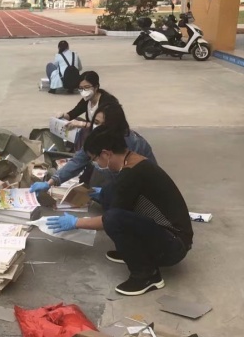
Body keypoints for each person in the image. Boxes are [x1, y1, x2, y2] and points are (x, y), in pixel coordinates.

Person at [46, 127, 192, 296]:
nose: (96, 164)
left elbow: (109, 220)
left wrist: (76, 223)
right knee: (109, 192)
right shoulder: (133, 162)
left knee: (113, 218)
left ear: (106, 154)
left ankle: (147, 275)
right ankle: (133, 252)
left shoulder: (131, 174)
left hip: (173, 246)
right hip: (167, 235)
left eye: (95, 159)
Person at [31, 102, 157, 200]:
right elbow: (78, 161)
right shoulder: (97, 138)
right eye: (96, 122)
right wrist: (51, 182)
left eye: (103, 124)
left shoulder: (133, 145)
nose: (97, 127)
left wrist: (78, 222)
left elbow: (130, 185)